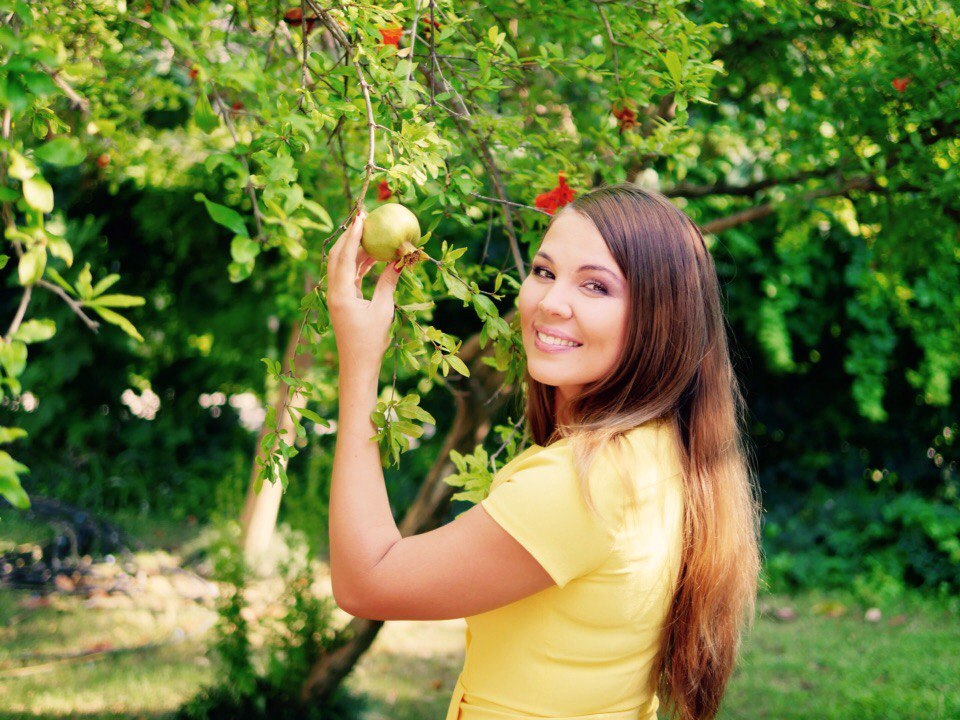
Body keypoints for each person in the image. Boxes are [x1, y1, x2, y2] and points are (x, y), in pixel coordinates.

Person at [325, 183, 762, 720]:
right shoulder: (659, 449)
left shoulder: (586, 482)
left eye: (596, 287)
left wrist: (360, 361)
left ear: (659, 317)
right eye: (544, 272)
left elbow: (366, 582)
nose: (552, 303)